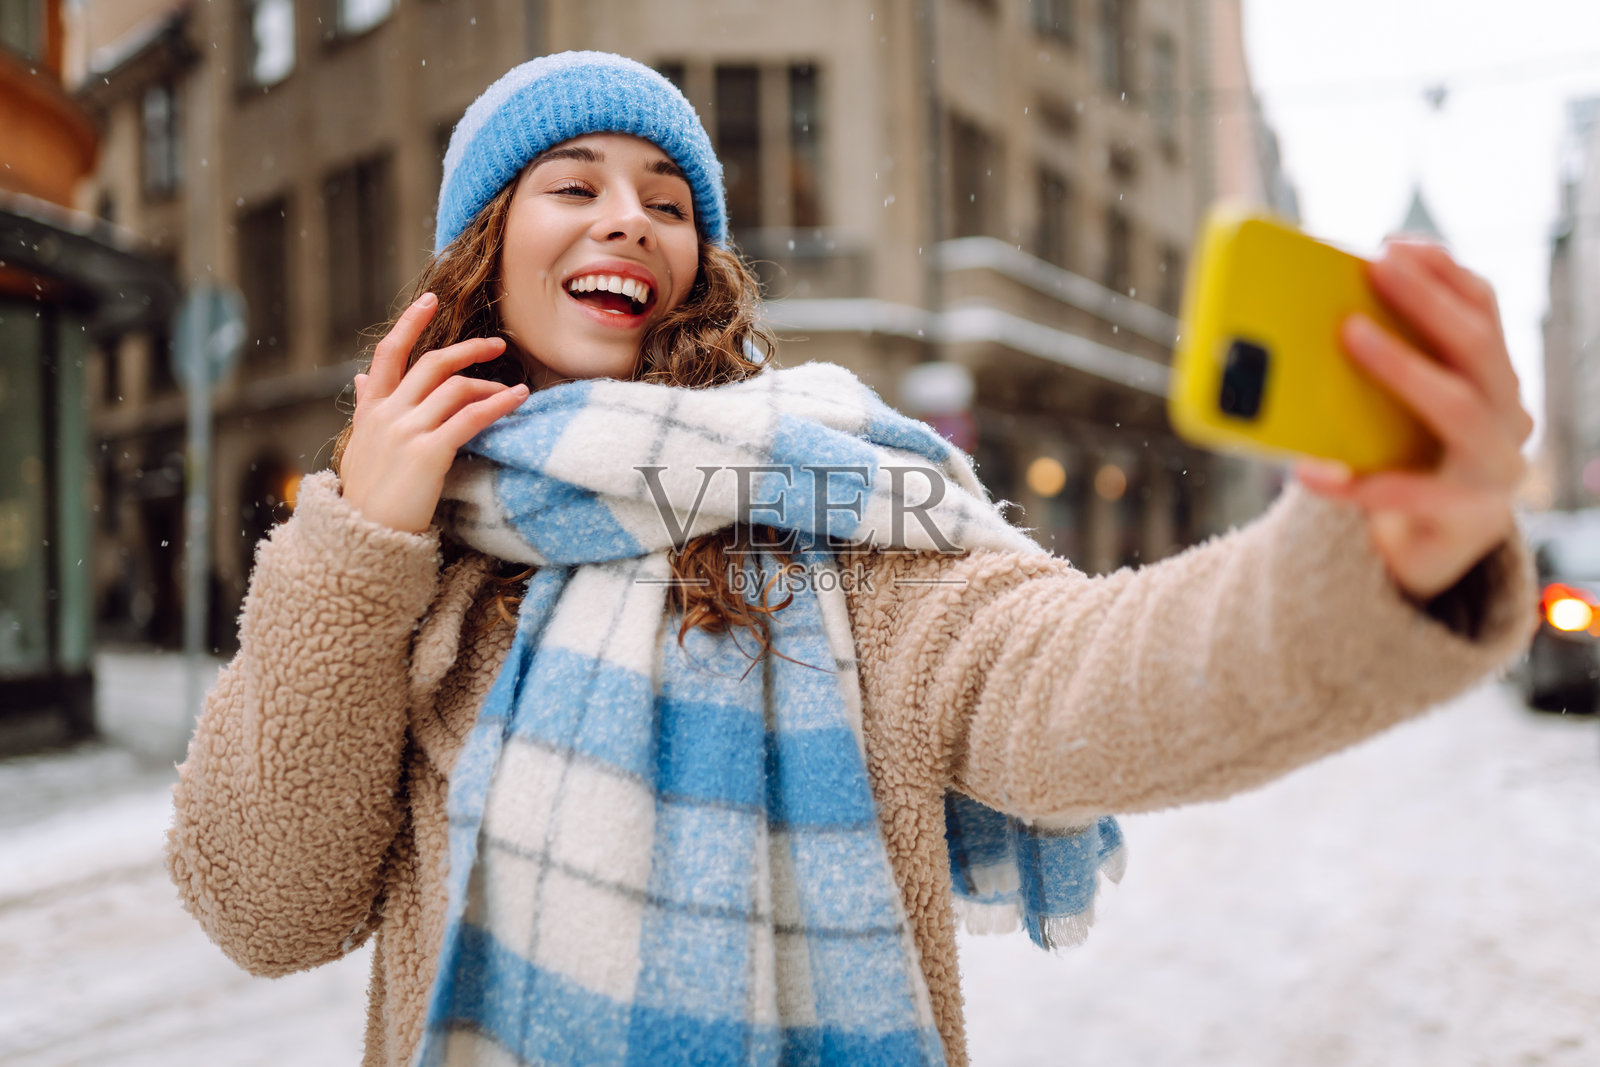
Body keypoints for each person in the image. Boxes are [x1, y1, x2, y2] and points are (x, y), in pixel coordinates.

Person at [167, 51, 1537, 1067]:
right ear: (480, 256)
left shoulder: (827, 494)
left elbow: (1074, 678)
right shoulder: (411, 560)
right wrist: (360, 538)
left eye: (666, 199)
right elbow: (262, 905)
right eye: (571, 184)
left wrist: (1374, 560)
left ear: (695, 266)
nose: (629, 217)